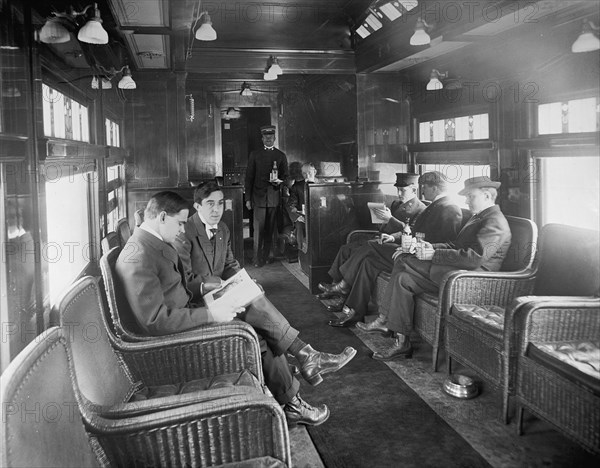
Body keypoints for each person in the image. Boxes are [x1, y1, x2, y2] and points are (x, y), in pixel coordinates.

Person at [116, 190, 356, 426]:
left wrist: (219, 293)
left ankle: (303, 366)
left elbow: (177, 290)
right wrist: (210, 313)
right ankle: (297, 389)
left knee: (252, 306)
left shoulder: (151, 244)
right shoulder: (138, 257)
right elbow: (155, 321)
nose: (182, 229)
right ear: (162, 217)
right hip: (175, 341)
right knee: (258, 335)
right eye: (179, 223)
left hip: (187, 314)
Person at [359, 176, 512, 361]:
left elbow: (474, 258)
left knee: (403, 260)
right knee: (403, 280)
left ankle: (384, 318)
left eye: (471, 196)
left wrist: (433, 255)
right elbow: (456, 245)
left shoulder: (495, 222)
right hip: (457, 273)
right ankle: (401, 342)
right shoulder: (480, 217)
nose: (466, 200)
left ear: (487, 195)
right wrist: (432, 248)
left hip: (472, 280)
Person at [323, 171, 464, 327]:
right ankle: (353, 310)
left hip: (418, 258)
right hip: (410, 249)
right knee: (368, 262)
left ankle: (344, 285)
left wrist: (413, 247)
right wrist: (395, 237)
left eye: (425, 187)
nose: (422, 191)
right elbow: (413, 229)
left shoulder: (449, 208)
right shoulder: (435, 206)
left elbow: (444, 242)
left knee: (371, 246)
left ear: (435, 188)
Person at [318, 172, 425, 299]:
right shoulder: (396, 204)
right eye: (398, 190)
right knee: (345, 249)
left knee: (363, 252)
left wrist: (390, 219)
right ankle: (335, 286)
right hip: (382, 238)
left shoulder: (421, 209)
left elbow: (411, 232)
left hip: (396, 246)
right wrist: (381, 220)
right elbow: (384, 227)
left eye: (403, 190)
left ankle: (342, 289)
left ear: (414, 189)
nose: (399, 194)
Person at [245, 125, 289, 267]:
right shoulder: (255, 154)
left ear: (275, 138)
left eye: (271, 137)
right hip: (257, 198)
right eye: (266, 137)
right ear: (262, 138)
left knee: (270, 230)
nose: (269, 140)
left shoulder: (280, 156)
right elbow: (249, 178)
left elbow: (286, 177)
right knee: (258, 230)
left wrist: (279, 181)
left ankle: (267, 256)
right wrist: (247, 199)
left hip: (273, 198)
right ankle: (257, 259)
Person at [286, 162, 317, 253]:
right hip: (303, 217)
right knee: (299, 225)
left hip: (320, 216)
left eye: (309, 172)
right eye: (304, 173)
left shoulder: (323, 185)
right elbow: (290, 205)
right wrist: (297, 217)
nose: (307, 175)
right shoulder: (297, 187)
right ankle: (302, 253)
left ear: (315, 171)